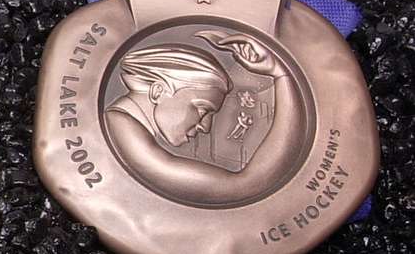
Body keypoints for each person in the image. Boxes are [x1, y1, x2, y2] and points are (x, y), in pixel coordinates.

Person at [104, 31, 304, 204]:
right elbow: (247, 185)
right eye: (202, 110)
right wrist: (281, 75)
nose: (205, 127)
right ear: (158, 91)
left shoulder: (123, 126)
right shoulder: (122, 131)